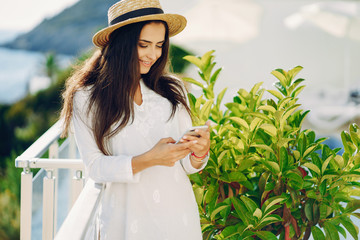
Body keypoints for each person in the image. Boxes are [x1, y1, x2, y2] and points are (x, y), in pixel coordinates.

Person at [60, 0, 210, 239]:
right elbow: (95, 167)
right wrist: (149, 159)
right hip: (126, 221)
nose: (153, 54)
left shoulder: (174, 90)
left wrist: (199, 152)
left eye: (159, 45)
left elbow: (188, 166)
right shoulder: (86, 98)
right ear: (121, 43)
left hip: (178, 218)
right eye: (144, 45)